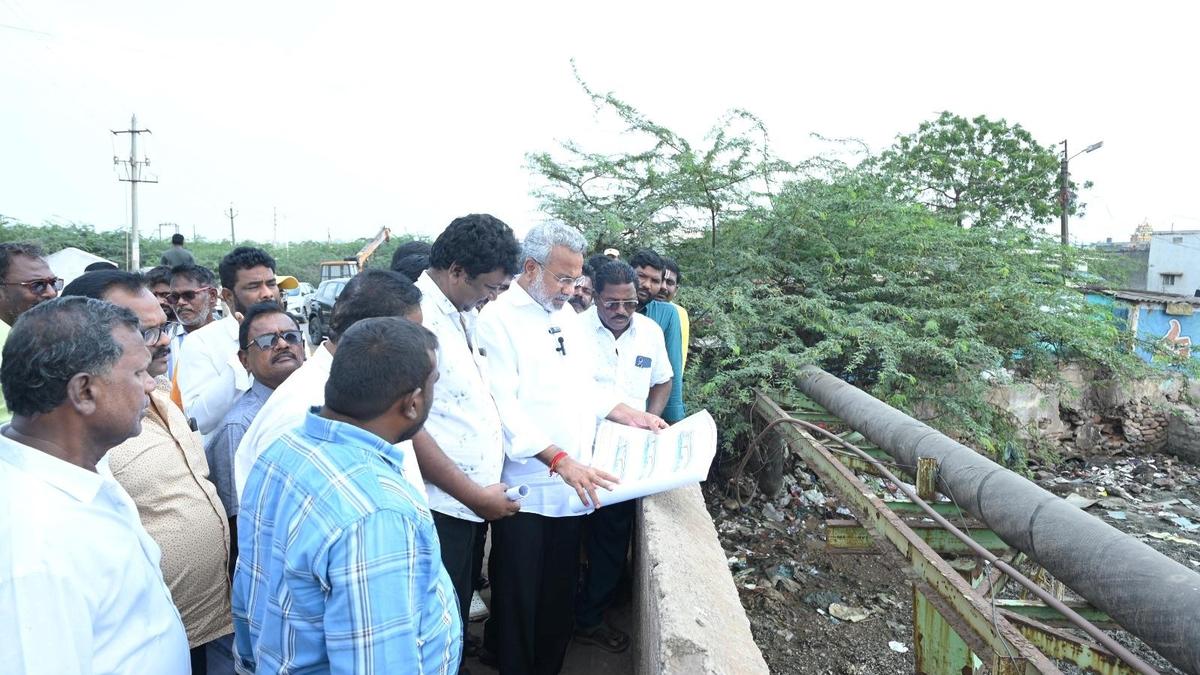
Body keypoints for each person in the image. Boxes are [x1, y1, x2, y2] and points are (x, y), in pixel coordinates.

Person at [476, 222, 667, 674]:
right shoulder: (498, 320)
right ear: (530, 267)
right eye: (562, 279)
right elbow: (503, 407)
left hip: (572, 487)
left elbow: (585, 387)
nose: (570, 289)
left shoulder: (563, 315)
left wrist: (631, 414)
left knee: (558, 597)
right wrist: (558, 459)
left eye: (575, 279)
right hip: (528, 489)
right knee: (520, 599)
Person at [233, 317, 461, 674]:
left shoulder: (281, 453)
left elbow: (248, 593)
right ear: (412, 403)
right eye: (434, 384)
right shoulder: (376, 513)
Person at [0, 296, 190, 674]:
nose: (152, 384)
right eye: (137, 373)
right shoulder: (34, 545)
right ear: (84, 391)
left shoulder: (81, 472)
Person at [62, 270, 234, 674]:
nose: (160, 342)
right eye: (142, 330)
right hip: (146, 643)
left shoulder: (158, 394)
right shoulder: (78, 430)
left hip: (210, 622)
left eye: (164, 327)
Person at [414, 214, 524, 660]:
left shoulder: (460, 311)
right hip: (441, 503)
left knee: (455, 607)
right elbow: (410, 428)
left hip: (467, 502)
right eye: (490, 287)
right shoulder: (419, 319)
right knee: (436, 619)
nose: (493, 298)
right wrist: (474, 496)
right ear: (457, 270)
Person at [232, 269, 426, 500]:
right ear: (374, 336)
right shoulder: (303, 411)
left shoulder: (366, 385)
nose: (421, 345)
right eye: (413, 334)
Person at [575, 260, 673, 652]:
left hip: (626, 458)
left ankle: (591, 618)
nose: (621, 312)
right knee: (568, 539)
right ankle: (561, 612)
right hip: (578, 452)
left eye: (630, 304)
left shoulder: (649, 332)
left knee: (612, 538)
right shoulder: (573, 330)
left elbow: (662, 380)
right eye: (612, 303)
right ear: (596, 296)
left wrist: (652, 418)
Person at [204, 302, 305, 573]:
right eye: (266, 341)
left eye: (291, 336)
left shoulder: (319, 400)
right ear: (244, 359)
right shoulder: (240, 426)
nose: (283, 344)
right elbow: (242, 526)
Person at [176, 247, 289, 436]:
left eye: (271, 284)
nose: (267, 293)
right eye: (254, 287)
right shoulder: (200, 342)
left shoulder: (290, 335)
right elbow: (197, 421)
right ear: (228, 296)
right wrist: (245, 356)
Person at [0, 243, 61, 424]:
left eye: (53, 283)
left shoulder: (33, 338)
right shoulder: (14, 345)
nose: (51, 293)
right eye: (37, 285)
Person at [629, 249, 686, 423]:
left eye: (654, 280)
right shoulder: (606, 304)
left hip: (648, 413)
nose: (647, 284)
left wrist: (675, 418)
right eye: (641, 276)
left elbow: (671, 371)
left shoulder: (668, 314)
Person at [166, 264, 219, 379]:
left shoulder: (232, 338)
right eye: (174, 297)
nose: (180, 302)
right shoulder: (164, 340)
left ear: (212, 296)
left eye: (189, 295)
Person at [659, 256, 690, 369]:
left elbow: (679, 358)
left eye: (669, 282)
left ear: (676, 290)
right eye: (660, 280)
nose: (663, 287)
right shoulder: (637, 308)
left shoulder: (680, 313)